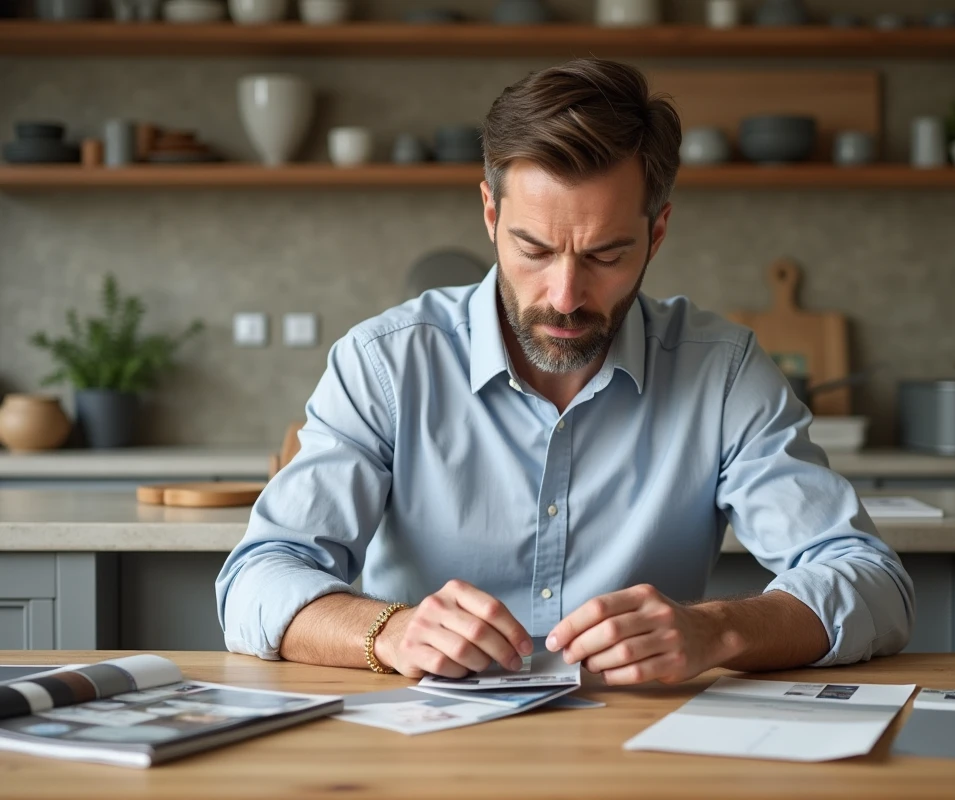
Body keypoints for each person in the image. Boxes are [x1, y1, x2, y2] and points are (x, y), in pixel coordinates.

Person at [216, 58, 914, 686]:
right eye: (534, 249)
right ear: (490, 214)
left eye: (607, 255)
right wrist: (391, 632)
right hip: (420, 753)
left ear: (657, 233)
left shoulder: (724, 373)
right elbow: (257, 579)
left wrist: (718, 630)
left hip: (643, 749)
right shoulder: (385, 363)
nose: (565, 295)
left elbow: (872, 582)